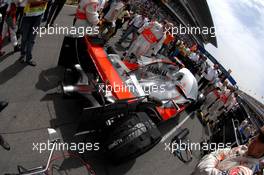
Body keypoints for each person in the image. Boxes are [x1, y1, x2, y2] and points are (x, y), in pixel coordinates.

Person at [194, 126, 264, 175]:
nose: (255, 138)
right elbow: (219, 153)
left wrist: (213, 161)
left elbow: (204, 171)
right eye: (258, 133)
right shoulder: (242, 148)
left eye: (262, 139)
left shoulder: (245, 171)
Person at [19, 0, 48, 66]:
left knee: (32, 39)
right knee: (24, 38)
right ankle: (22, 55)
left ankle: (29, 58)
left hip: (39, 16)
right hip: (27, 16)